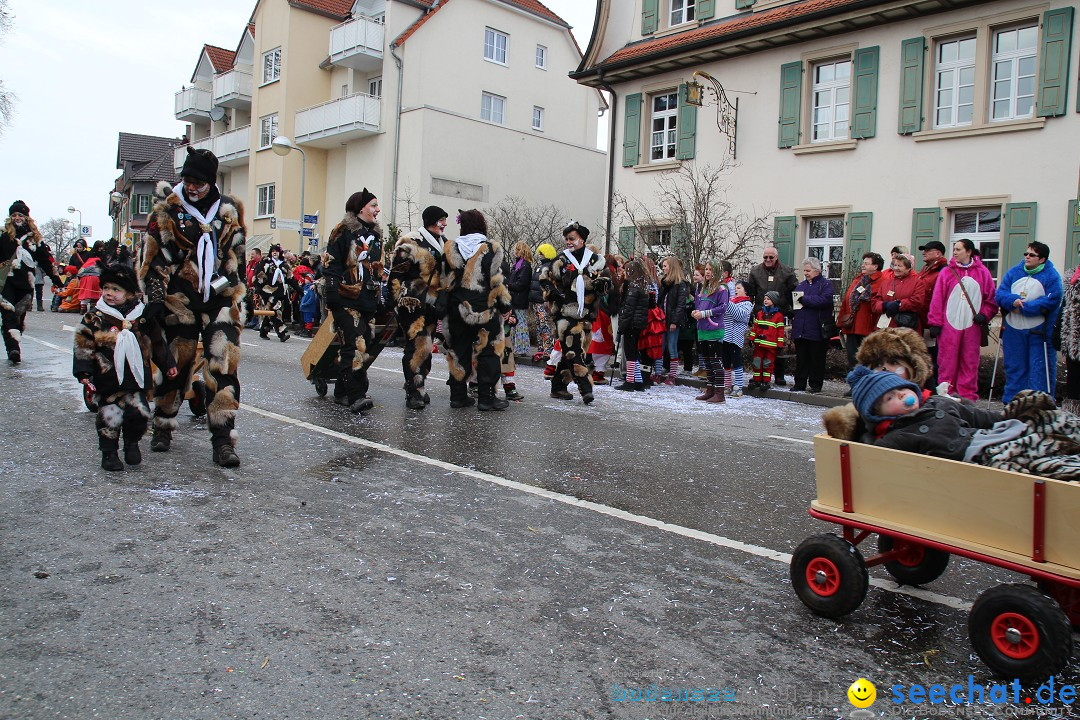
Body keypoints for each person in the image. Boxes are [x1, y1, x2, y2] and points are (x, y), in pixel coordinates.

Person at [138, 147, 248, 467]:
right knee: (177, 362)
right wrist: (156, 300)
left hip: (217, 299)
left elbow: (234, 259)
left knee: (222, 364)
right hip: (180, 298)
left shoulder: (228, 210)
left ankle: (222, 440)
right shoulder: (169, 209)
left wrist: (230, 289)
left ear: (210, 182)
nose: (191, 187)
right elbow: (156, 259)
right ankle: (163, 423)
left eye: (198, 181)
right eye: (187, 179)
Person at [846, 366, 1080, 481]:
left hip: (990, 435)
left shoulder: (938, 402)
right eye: (889, 398)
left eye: (901, 389)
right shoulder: (899, 434)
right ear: (879, 415)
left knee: (1044, 425)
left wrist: (1008, 418)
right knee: (1031, 460)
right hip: (977, 456)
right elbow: (875, 457)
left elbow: (979, 417)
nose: (900, 396)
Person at [73, 265, 177, 471]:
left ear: (130, 293)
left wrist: (168, 363)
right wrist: (84, 370)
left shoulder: (142, 316)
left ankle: (132, 442)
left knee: (139, 414)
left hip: (136, 378)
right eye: (106, 288)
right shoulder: (95, 317)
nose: (109, 293)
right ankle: (109, 454)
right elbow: (83, 343)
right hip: (107, 378)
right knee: (109, 418)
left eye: (116, 289)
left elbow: (156, 341)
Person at [442, 209, 511, 410]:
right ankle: (486, 398)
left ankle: (458, 396)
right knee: (488, 352)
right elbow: (498, 281)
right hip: (484, 309)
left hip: (457, 309)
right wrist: (506, 306)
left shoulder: (450, 247)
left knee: (458, 351)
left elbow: (445, 280)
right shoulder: (492, 248)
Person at [323, 188, 384, 414]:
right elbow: (331, 264)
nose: (378, 210)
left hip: (367, 299)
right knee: (354, 343)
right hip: (345, 296)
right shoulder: (343, 231)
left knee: (364, 344)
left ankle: (341, 391)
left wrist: (381, 295)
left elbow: (377, 268)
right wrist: (332, 294)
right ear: (360, 208)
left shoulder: (376, 236)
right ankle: (356, 395)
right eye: (374, 205)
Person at [540, 221, 609, 404]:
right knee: (573, 352)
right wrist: (554, 292)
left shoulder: (595, 260)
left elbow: (607, 280)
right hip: (565, 313)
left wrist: (600, 284)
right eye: (566, 239)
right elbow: (544, 276)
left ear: (582, 239)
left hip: (586, 314)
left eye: (572, 238)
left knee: (572, 353)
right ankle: (585, 388)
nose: (568, 242)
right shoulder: (562, 259)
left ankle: (558, 387)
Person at [388, 205, 447, 409]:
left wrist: (443, 300)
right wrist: (399, 299)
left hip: (432, 306)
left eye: (445, 220)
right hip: (411, 305)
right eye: (441, 220)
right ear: (431, 220)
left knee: (427, 348)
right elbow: (396, 275)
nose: (444, 224)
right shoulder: (410, 242)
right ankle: (413, 391)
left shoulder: (444, 244)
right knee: (416, 346)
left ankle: (420, 383)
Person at [927, 238, 998, 400]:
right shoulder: (947, 272)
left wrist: (985, 314)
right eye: (954, 249)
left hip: (971, 326)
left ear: (969, 251)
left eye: (958, 249)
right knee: (947, 360)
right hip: (948, 327)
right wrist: (935, 322)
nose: (955, 252)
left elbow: (991, 299)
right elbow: (937, 298)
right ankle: (945, 394)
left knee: (969, 361)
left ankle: (967, 397)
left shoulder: (982, 272)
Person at [995, 241, 1062, 403]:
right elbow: (1000, 294)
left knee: (1039, 369)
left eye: (1032, 255)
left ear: (1042, 259)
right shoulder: (1014, 273)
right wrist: (1012, 301)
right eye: (1026, 254)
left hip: (1039, 333)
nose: (1027, 257)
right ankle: (1012, 403)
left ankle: (1039, 404)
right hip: (1014, 330)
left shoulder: (1051, 276)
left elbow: (1052, 300)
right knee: (1014, 368)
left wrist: (1025, 307)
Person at [1, 200, 62, 363]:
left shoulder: (34, 239)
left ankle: (14, 340)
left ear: (26, 217)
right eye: (13, 215)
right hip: (7, 281)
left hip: (26, 284)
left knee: (19, 317)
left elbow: (44, 261)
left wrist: (56, 278)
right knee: (8, 316)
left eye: (20, 215)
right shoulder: (4, 236)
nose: (16, 218)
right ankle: (13, 348)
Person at [745, 246, 797, 385]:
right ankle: (758, 376)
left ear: (776, 258)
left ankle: (779, 375)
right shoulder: (755, 271)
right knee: (759, 347)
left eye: (771, 257)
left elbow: (794, 291)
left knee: (779, 346)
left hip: (780, 312)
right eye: (765, 257)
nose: (767, 260)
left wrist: (793, 309)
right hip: (760, 313)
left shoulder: (787, 272)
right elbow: (750, 293)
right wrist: (749, 311)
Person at [791, 257, 835, 393]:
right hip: (801, 328)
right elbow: (796, 305)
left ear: (817, 270)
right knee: (801, 358)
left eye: (808, 270)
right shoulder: (801, 285)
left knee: (817, 358)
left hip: (817, 328)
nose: (806, 273)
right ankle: (800, 383)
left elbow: (825, 300)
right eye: (804, 270)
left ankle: (816, 384)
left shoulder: (825, 284)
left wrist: (806, 299)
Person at [836, 252, 885, 373]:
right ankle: (854, 386)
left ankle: (866, 388)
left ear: (875, 266)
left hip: (868, 327)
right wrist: (841, 320)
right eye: (863, 263)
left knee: (868, 360)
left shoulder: (883, 281)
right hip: (852, 326)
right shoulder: (859, 279)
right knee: (852, 358)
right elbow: (847, 299)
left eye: (866, 263)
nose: (863, 265)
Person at [689, 261, 728, 402]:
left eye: (711, 269)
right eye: (706, 269)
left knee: (716, 362)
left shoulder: (722, 289)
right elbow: (699, 306)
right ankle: (710, 389)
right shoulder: (701, 288)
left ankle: (719, 392)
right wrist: (695, 312)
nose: (707, 272)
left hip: (714, 330)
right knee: (707, 363)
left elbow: (723, 308)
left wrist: (704, 314)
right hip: (702, 329)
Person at [916, 240, 949, 385]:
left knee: (934, 357)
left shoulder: (943, 270)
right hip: (922, 320)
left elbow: (942, 298)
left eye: (928, 250)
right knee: (924, 356)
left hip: (934, 322)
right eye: (924, 250)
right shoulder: (925, 270)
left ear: (938, 253)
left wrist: (937, 320)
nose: (924, 252)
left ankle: (935, 389)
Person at [616, 259, 650, 391]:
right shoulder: (642, 287)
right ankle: (639, 380)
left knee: (630, 353)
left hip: (631, 323)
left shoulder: (632, 288)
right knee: (634, 352)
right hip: (639, 323)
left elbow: (628, 310)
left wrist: (621, 327)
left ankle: (630, 381)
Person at [872, 254, 927, 333]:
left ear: (908, 268)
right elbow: (875, 303)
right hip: (885, 328)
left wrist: (899, 304)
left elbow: (917, 301)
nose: (896, 268)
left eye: (900, 266)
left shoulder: (917, 283)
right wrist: (884, 305)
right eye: (895, 265)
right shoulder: (886, 283)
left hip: (906, 328)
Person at [657, 256, 689, 385]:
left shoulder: (680, 284)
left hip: (672, 321)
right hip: (663, 319)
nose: (663, 268)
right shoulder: (664, 283)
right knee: (660, 347)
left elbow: (680, 305)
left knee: (672, 346)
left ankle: (672, 375)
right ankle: (658, 373)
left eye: (665, 266)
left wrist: (674, 321)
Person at [721, 279, 753, 397]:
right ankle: (727, 385)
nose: (735, 290)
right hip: (725, 336)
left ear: (746, 292)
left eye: (739, 288)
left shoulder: (747, 304)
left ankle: (739, 386)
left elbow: (738, 315)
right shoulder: (731, 301)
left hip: (735, 338)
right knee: (726, 362)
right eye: (735, 288)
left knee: (736, 362)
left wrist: (727, 302)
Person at [748, 290, 786, 390]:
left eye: (768, 299)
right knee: (757, 362)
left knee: (767, 363)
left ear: (774, 301)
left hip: (770, 346)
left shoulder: (778, 316)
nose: (766, 300)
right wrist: (751, 338)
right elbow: (755, 327)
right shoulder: (760, 313)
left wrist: (780, 344)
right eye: (765, 299)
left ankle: (765, 381)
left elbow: (780, 331)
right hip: (759, 344)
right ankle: (756, 379)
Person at [254, 244, 291, 342]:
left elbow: (290, 278)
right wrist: (258, 289)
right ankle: (281, 333)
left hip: (279, 292)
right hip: (267, 291)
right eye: (273, 250)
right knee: (276, 311)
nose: (275, 252)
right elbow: (259, 275)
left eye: (276, 250)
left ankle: (263, 330)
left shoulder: (284, 264)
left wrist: (299, 290)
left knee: (270, 311)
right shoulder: (266, 262)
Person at [506, 241, 533, 359]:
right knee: (514, 323)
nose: (514, 252)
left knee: (520, 323)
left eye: (517, 250)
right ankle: (514, 346)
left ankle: (521, 348)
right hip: (514, 297)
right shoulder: (518, 265)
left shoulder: (525, 266)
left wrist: (509, 286)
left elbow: (522, 283)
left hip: (519, 298)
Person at [1060, 261, 1080, 415]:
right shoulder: (1071, 276)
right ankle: (1073, 418)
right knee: (1073, 380)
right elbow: (1064, 307)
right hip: (1072, 337)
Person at [531, 242, 556, 364]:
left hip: (543, 301)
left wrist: (546, 299)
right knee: (539, 325)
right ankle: (541, 347)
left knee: (545, 325)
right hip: (536, 301)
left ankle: (548, 349)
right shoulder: (539, 267)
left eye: (541, 253)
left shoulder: (549, 267)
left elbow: (548, 286)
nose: (539, 255)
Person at [299, 271, 319, 337]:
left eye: (307, 278)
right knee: (306, 319)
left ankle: (308, 331)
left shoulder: (311, 288)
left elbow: (312, 298)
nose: (305, 279)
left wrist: (306, 303)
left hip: (309, 307)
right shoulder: (305, 287)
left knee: (309, 319)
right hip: (305, 307)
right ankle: (305, 330)